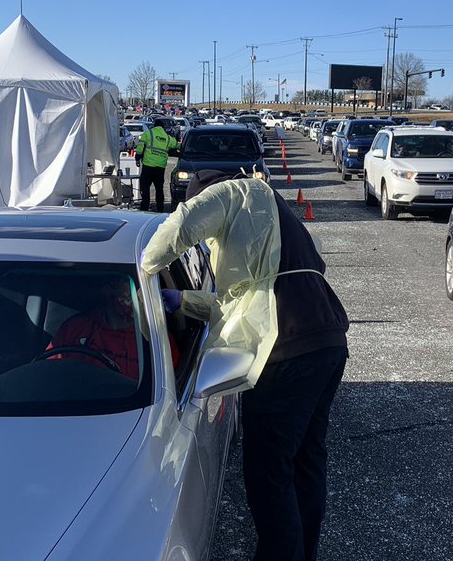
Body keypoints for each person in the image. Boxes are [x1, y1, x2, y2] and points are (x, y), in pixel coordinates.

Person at [142, 169, 349, 561]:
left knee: (269, 474)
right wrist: (182, 301)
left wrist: (143, 267)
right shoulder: (271, 212)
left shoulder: (231, 192)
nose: (209, 239)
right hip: (326, 340)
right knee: (305, 461)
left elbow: (182, 223)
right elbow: (241, 303)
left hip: (286, 347)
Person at [47, 275, 179, 378]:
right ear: (109, 289)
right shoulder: (75, 328)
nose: (138, 291)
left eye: (143, 284)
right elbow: (47, 373)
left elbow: (171, 390)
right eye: (130, 284)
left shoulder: (156, 337)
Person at [135, 121, 177, 212]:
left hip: (148, 166)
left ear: (154, 126)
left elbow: (140, 146)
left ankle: (144, 207)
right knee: (159, 189)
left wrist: (137, 158)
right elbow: (176, 144)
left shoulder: (148, 134)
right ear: (163, 127)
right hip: (160, 168)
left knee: (145, 188)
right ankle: (160, 208)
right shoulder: (167, 137)